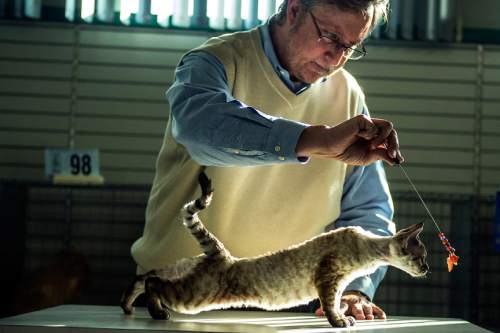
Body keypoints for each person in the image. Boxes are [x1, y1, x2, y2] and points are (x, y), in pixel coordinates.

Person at [131, 0, 403, 321]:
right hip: (183, 295)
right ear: (293, 9)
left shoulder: (348, 95)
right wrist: (317, 140)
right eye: (329, 37)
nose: (337, 58)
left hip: (288, 309)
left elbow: (368, 211)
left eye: (351, 46)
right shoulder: (215, 62)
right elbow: (200, 129)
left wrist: (355, 287)